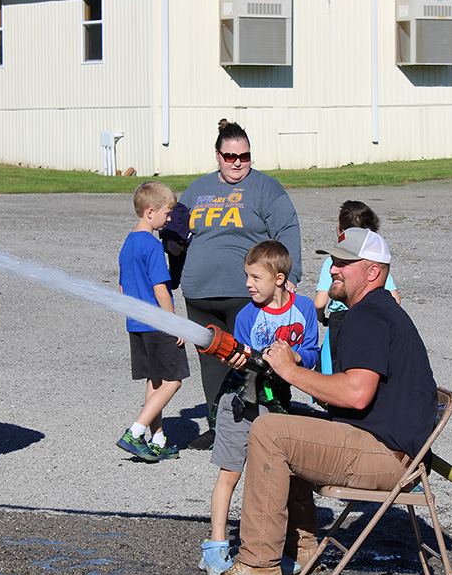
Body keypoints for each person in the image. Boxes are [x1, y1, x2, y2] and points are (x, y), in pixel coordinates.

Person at [196, 228, 437, 575]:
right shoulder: (380, 310)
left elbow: (356, 395)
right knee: (289, 419)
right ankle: (304, 548)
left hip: (386, 456)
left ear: (372, 272)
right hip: (391, 448)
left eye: (343, 263)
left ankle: (258, 567)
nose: (333, 269)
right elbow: (351, 392)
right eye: (333, 261)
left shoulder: (367, 316)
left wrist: (291, 371)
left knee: (270, 431)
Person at [177, 119, 302, 450]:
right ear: (216, 155)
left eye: (244, 156)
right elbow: (175, 234)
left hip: (245, 295)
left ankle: (258, 428)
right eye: (229, 156)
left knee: (249, 363)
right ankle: (218, 429)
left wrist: (291, 276)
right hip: (200, 292)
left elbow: (287, 230)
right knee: (211, 364)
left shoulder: (265, 188)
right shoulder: (198, 189)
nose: (237, 163)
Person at [199, 240, 318, 575]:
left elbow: (311, 350)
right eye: (246, 276)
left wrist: (294, 357)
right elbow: (238, 360)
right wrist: (236, 361)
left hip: (277, 400)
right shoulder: (247, 315)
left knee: (279, 475)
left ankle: (281, 546)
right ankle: (216, 547)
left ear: (280, 279)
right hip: (241, 401)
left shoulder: (305, 308)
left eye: (255, 277)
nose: (248, 284)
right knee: (231, 473)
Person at [116, 182, 189, 462]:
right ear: (150, 212)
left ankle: (157, 439)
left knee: (155, 381)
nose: (169, 219)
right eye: (167, 213)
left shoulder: (129, 242)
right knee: (174, 381)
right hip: (158, 324)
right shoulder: (152, 246)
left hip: (136, 324)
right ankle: (135, 432)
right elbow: (161, 288)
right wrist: (174, 324)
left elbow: (123, 288)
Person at [314, 201, 400, 373]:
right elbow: (395, 300)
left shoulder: (333, 263)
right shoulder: (373, 263)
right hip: (371, 315)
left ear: (341, 229)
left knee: (336, 366)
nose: (335, 268)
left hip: (339, 319)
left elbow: (319, 302)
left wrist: (321, 318)